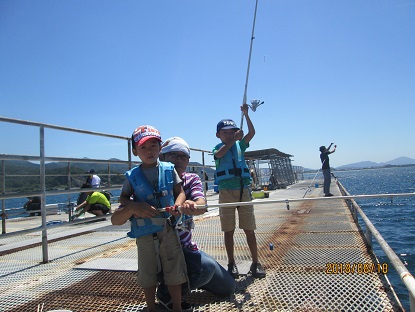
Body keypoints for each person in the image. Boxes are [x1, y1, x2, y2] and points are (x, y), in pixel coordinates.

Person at [111, 125, 188, 312]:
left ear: (160, 149)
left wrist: (177, 205)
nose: (149, 151)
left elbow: (180, 192)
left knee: (173, 271)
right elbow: (123, 198)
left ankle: (176, 307)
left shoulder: (170, 170)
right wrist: (133, 206)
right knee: (147, 273)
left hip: (167, 228)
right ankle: (151, 307)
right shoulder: (132, 177)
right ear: (135, 151)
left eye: (154, 146)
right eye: (143, 147)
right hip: (145, 233)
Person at [157, 137, 236, 306]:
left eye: (183, 156)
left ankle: (189, 278)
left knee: (228, 287)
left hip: (186, 248)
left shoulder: (191, 179)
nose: (179, 160)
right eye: (173, 155)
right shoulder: (152, 181)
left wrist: (193, 204)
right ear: (162, 157)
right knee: (205, 268)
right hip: (162, 251)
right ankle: (166, 293)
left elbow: (202, 204)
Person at [212, 104, 266, 279]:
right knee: (229, 230)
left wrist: (246, 114)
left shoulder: (241, 145)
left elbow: (252, 133)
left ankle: (256, 263)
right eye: (225, 132)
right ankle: (231, 263)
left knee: (249, 229)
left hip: (244, 190)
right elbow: (220, 155)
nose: (229, 134)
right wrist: (232, 140)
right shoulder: (217, 148)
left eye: (232, 131)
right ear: (218, 135)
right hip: (226, 192)